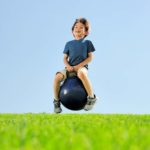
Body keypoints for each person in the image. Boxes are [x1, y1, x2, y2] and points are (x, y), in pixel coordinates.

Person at [53, 18, 97, 113]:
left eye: (81, 27)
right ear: (72, 31)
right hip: (70, 68)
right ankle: (56, 101)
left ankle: (91, 98)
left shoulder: (87, 43)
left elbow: (90, 58)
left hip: (82, 67)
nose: (78, 28)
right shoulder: (68, 44)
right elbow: (64, 58)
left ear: (86, 32)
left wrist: (79, 66)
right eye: (76, 27)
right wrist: (68, 66)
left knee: (81, 74)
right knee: (57, 77)